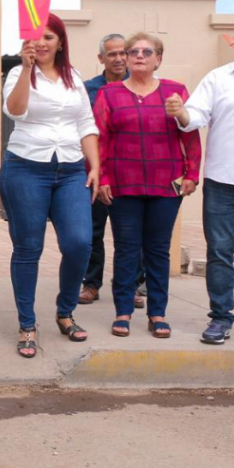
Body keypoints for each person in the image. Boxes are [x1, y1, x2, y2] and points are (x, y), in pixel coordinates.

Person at [166, 11, 234, 348]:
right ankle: (220, 319)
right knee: (220, 254)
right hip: (223, 182)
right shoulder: (218, 78)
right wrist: (181, 111)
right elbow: (194, 116)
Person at [0, 14, 99, 358]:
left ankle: (65, 311)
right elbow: (15, 111)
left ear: (60, 42)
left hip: (71, 170)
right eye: (35, 37)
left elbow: (86, 122)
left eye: (49, 37)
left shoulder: (74, 78)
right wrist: (25, 69)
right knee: (28, 249)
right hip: (26, 167)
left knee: (79, 243)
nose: (42, 43)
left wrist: (95, 165)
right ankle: (27, 324)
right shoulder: (17, 73)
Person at [95, 33, 200, 338]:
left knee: (157, 250)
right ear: (125, 58)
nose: (139, 55)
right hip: (122, 184)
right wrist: (101, 178)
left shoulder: (175, 92)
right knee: (126, 249)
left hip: (165, 185)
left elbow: (189, 133)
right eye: (133, 51)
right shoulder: (109, 93)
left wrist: (192, 173)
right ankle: (123, 311)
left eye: (147, 51)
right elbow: (100, 139)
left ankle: (157, 313)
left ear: (158, 59)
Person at [79, 34, 143, 306]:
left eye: (122, 53)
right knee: (92, 231)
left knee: (131, 233)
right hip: (94, 170)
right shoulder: (87, 89)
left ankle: (133, 286)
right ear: (101, 58)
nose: (118, 58)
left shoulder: (141, 86)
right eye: (111, 54)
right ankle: (91, 284)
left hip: (129, 172)